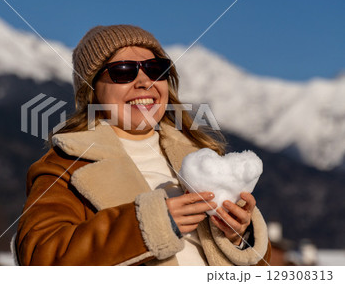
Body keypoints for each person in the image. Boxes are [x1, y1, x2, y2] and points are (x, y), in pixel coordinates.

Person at [14, 24, 271, 266]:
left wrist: (239, 235)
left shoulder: (202, 157)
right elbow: (40, 255)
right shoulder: (66, 164)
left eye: (155, 68)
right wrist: (146, 225)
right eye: (123, 71)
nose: (144, 82)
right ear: (92, 90)